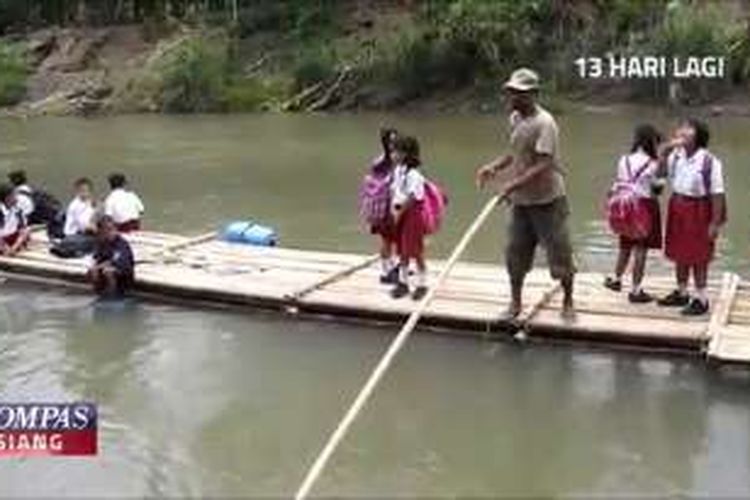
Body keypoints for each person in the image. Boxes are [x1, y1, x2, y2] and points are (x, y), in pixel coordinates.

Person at [476, 68, 576, 319]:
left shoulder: (545, 123)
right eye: (511, 93)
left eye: (519, 94)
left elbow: (544, 163)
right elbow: (515, 153)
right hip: (522, 202)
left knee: (559, 254)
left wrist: (512, 185)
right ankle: (515, 303)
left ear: (533, 94)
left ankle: (568, 300)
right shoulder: (516, 120)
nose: (513, 99)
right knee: (515, 253)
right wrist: (494, 168)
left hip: (548, 200)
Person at [657, 118, 727, 316]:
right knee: (680, 252)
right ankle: (682, 293)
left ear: (698, 136)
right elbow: (661, 178)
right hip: (678, 206)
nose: (682, 131)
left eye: (688, 128)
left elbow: (717, 194)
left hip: (699, 209)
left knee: (699, 255)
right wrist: (663, 155)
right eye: (681, 127)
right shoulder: (676, 157)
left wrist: (714, 223)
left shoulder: (709, 161)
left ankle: (701, 298)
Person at [604, 124, 664, 303]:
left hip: (624, 203)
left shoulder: (624, 159)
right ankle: (636, 290)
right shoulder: (653, 164)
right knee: (641, 248)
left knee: (625, 244)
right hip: (644, 205)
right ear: (652, 142)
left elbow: (620, 181)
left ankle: (616, 279)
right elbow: (657, 189)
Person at [390, 135, 428, 300]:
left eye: (395, 152)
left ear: (405, 154)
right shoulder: (398, 171)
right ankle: (403, 283)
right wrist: (393, 209)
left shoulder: (414, 175)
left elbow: (412, 198)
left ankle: (422, 284)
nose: (392, 155)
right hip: (400, 211)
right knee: (402, 250)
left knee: (415, 250)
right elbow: (395, 191)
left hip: (412, 214)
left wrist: (400, 212)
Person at [359, 128, 400, 283]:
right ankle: (385, 271)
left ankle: (393, 267)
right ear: (385, 143)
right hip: (384, 208)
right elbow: (379, 184)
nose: (393, 144)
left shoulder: (396, 160)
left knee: (397, 238)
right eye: (391, 141)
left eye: (395, 140)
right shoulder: (382, 162)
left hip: (395, 206)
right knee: (387, 240)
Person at [7, 169, 64, 238]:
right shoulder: (36, 189)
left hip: (40, 223)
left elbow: (23, 217)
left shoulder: (19, 196)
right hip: (54, 219)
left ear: (12, 182)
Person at [88, 215, 135, 297]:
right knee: (93, 270)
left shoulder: (121, 244)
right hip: (104, 271)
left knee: (108, 271)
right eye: (106, 230)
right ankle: (98, 292)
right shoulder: (101, 243)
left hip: (123, 273)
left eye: (112, 229)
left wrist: (100, 266)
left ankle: (113, 295)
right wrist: (94, 267)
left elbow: (117, 261)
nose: (110, 233)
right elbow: (96, 257)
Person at [0, 183, 31, 256]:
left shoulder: (17, 210)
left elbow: (23, 229)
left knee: (27, 231)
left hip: (10, 238)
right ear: (7, 197)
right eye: (14, 195)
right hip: (1, 239)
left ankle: (11, 249)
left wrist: (14, 247)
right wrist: (4, 247)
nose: (17, 197)